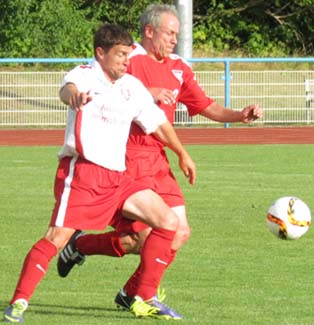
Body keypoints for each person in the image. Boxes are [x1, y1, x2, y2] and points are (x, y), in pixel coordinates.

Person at [57, 3, 262, 311]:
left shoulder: (179, 66)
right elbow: (97, 86)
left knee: (178, 233)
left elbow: (204, 105)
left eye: (177, 35)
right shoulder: (128, 58)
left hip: (158, 160)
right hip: (126, 160)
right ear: (149, 32)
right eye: (169, 33)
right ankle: (98, 259)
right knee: (141, 240)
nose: (174, 41)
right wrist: (145, 92)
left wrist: (239, 115)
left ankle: (129, 289)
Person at [2, 24, 197, 323]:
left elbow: (157, 123)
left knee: (169, 222)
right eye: (119, 54)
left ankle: (143, 297)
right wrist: (74, 97)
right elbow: (66, 90)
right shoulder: (84, 75)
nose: (125, 60)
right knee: (55, 238)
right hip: (84, 175)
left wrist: (182, 153)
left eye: (128, 54)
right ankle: (18, 302)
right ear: (100, 53)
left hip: (120, 177)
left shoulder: (132, 86)